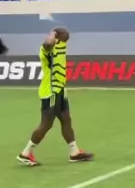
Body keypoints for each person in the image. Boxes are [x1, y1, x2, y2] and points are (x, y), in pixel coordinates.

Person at [17, 27, 94, 166]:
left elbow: (65, 35)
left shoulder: (61, 45)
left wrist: (58, 33)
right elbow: (48, 43)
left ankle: (75, 153)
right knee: (46, 124)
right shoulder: (46, 50)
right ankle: (25, 154)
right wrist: (52, 33)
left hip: (60, 91)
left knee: (66, 120)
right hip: (50, 92)